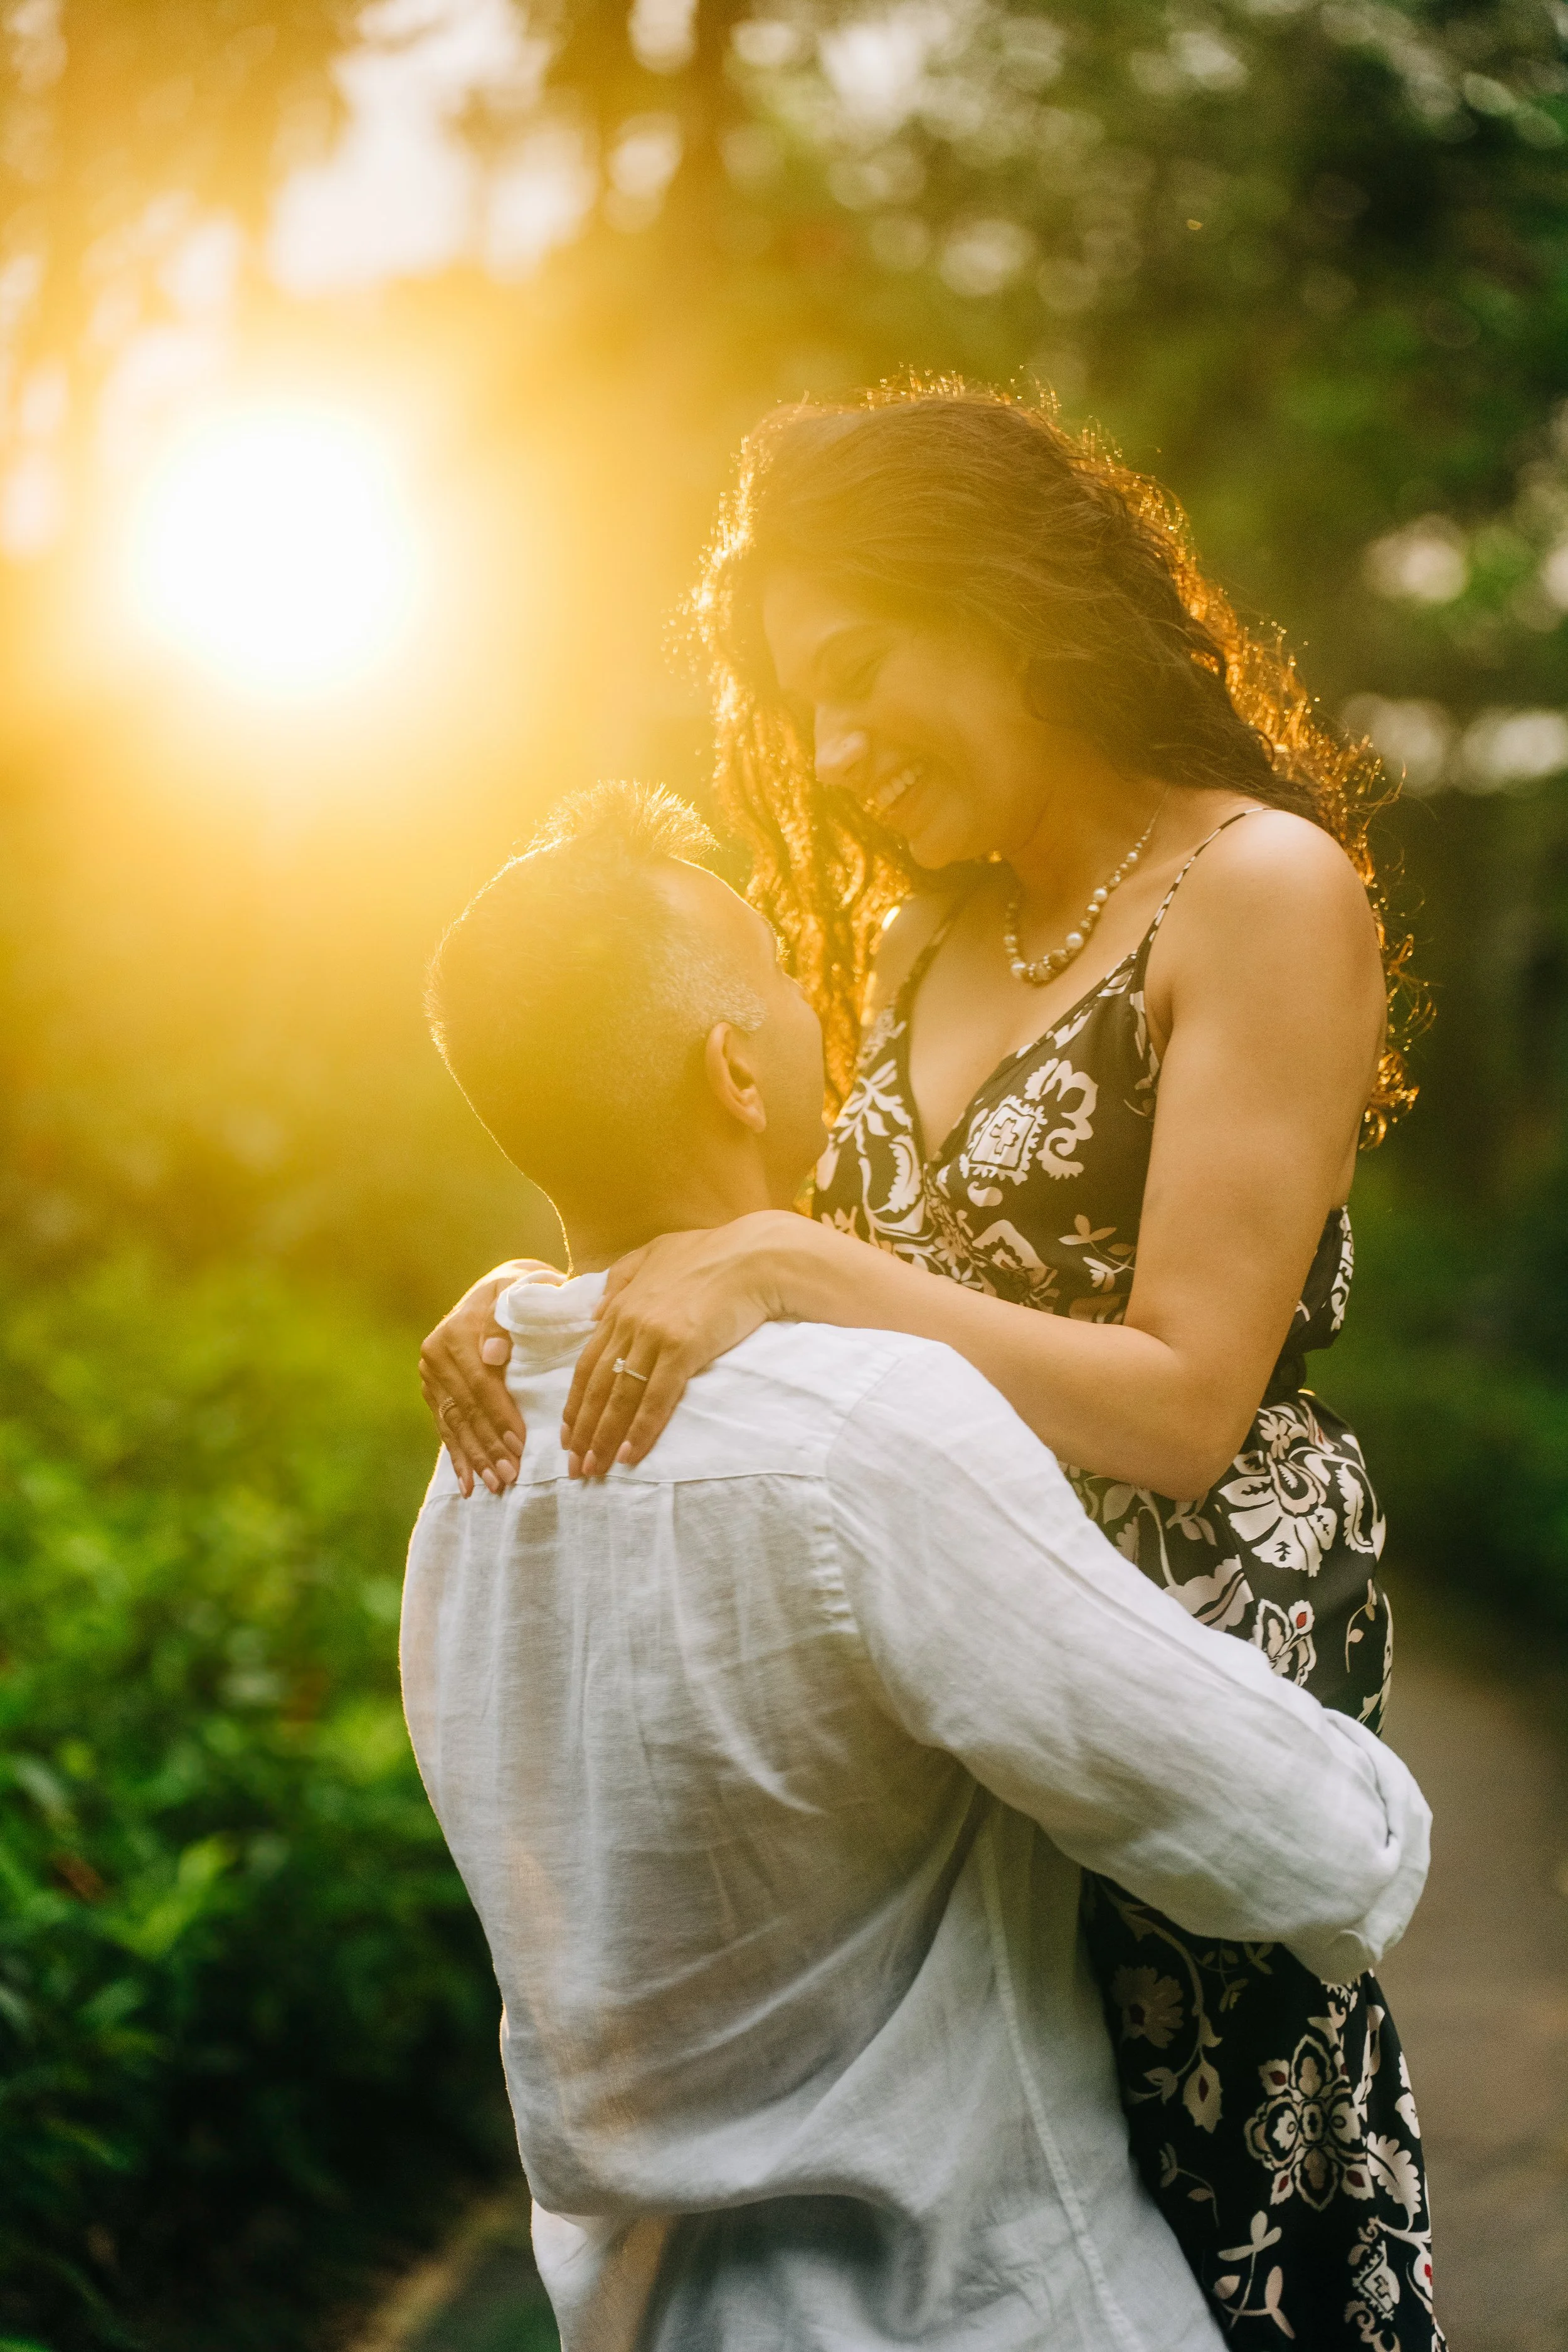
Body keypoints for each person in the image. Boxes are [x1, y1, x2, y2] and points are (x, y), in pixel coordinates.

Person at [420, 388, 1441, 2346]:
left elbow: (1181, 1397)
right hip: (939, 1685)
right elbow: (732, 1234)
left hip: (1188, 1658)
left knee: (1202, 2258)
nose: (829, 751)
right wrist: (540, 1296)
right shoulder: (914, 939)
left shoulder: (1258, 888)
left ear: (999, 598)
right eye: (794, 713)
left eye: (858, 674)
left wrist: (793, 1258)